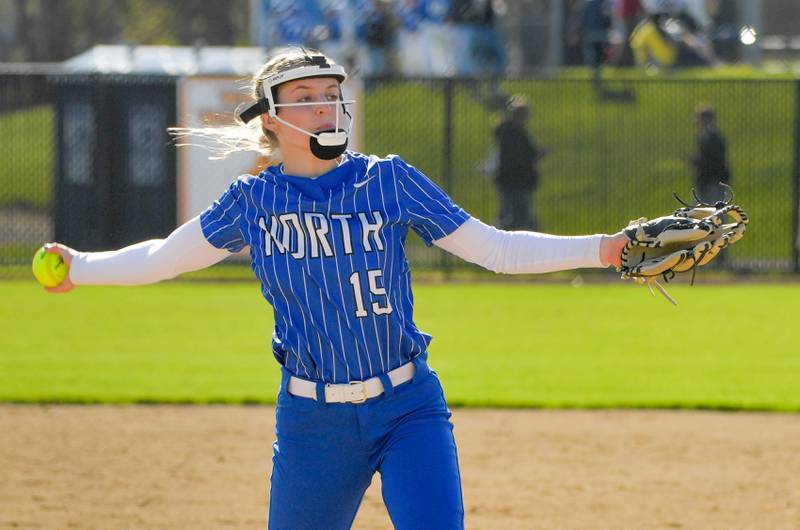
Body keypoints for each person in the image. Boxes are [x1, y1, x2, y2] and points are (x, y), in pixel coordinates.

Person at [40, 49, 629, 529]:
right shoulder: (254, 201)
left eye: (330, 95)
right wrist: (81, 266)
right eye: (305, 98)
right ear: (270, 117)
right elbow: (164, 258)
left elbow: (495, 249)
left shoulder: (389, 179)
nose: (325, 107)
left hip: (408, 406)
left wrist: (603, 248)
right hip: (311, 422)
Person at [493, 94, 546, 231]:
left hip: (514, 181)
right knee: (516, 217)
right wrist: (536, 154)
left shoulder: (511, 131)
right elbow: (522, 155)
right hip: (517, 181)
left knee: (513, 215)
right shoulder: (512, 132)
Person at [690, 104, 730, 203]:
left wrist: (698, 162)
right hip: (706, 181)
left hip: (713, 180)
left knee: (715, 210)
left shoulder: (712, 136)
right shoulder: (705, 136)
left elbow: (713, 160)